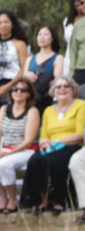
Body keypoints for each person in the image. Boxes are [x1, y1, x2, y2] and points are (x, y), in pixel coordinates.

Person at [25, 75, 85, 214]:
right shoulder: (48, 110)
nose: (62, 89)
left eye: (66, 86)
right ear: (54, 91)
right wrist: (45, 143)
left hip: (72, 145)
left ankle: (60, 200)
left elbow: (80, 134)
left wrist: (58, 142)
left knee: (56, 161)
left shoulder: (81, 105)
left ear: (73, 89)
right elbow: (43, 135)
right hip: (51, 147)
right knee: (35, 160)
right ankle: (43, 200)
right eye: (58, 87)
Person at [0, 78, 39, 214]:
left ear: (28, 94)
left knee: (4, 163)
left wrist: (7, 153)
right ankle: (3, 199)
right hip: (7, 148)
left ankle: (12, 201)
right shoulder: (4, 109)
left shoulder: (32, 111)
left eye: (23, 90)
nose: (18, 92)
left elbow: (28, 140)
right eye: (15, 89)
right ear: (11, 93)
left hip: (26, 150)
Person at [0, 12, 30, 120]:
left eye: (6, 22)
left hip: (13, 88)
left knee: (9, 119)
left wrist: (8, 86)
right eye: (0, 23)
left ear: (12, 24)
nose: (3, 25)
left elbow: (24, 69)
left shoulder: (20, 44)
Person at [24, 25, 66, 110]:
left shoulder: (58, 58)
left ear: (52, 38)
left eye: (46, 34)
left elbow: (57, 80)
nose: (42, 37)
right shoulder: (29, 59)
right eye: (40, 35)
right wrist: (27, 75)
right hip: (30, 99)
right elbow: (23, 77)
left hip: (47, 99)